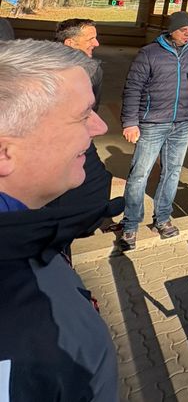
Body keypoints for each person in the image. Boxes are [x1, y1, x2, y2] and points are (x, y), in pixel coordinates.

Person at [0, 40, 119, 400]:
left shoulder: (26, 238)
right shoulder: (20, 334)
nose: (99, 127)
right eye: (83, 115)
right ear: (5, 152)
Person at [119, 11, 188, 251]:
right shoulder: (149, 53)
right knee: (140, 174)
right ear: (172, 30)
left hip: (182, 123)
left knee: (172, 172)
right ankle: (130, 224)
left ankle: (162, 218)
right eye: (184, 30)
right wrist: (130, 122)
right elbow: (132, 88)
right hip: (152, 123)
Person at [48, 19, 113, 248]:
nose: (96, 42)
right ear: (69, 43)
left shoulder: (94, 70)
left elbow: (92, 110)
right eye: (90, 39)